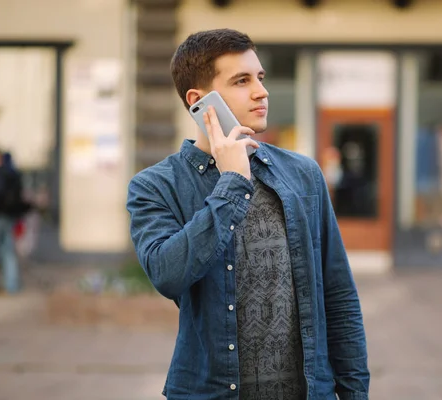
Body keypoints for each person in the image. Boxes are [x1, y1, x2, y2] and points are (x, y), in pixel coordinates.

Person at [126, 29, 369, 400]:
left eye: (260, 77)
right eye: (242, 81)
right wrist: (233, 181)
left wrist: (355, 393)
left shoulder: (303, 174)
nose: (261, 91)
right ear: (199, 101)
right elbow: (166, 275)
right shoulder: (155, 186)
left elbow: (338, 297)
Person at [0, 147, 29, 293]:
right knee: (8, 250)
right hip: (9, 216)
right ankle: (12, 285)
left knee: (3, 249)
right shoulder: (12, 172)